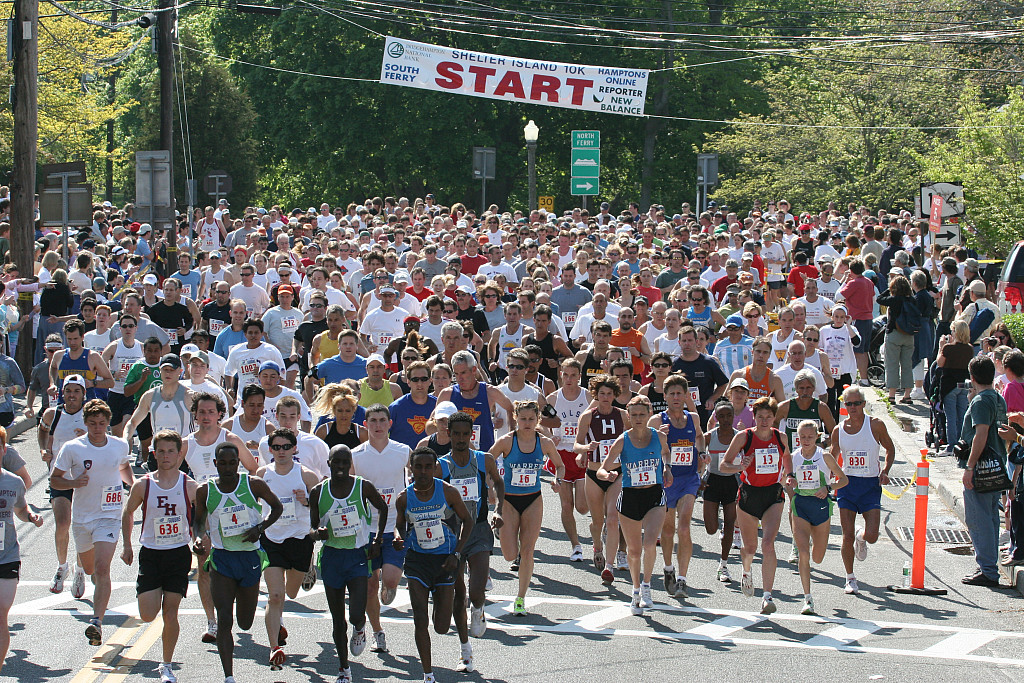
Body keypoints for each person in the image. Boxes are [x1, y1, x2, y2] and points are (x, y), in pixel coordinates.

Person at [193, 442, 283, 683]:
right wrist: (198, 539)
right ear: (215, 464)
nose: (227, 468)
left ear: (238, 463)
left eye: (232, 463)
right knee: (224, 618)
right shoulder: (205, 490)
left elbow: (277, 507)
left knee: (245, 622)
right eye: (222, 463)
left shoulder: (253, 484)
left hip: (249, 558)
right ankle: (229, 676)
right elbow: (198, 521)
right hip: (222, 559)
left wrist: (260, 528)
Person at [50, 399, 134, 645]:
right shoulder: (73, 448)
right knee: (90, 569)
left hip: (109, 515)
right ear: (85, 423)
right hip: (83, 517)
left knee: (102, 568)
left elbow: (124, 467)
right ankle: (81, 570)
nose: (97, 428)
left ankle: (96, 621)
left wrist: (135, 486)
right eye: (93, 423)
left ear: (108, 423)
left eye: (102, 423)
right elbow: (55, 480)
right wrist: (73, 483)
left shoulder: (119, 445)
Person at [119, 430, 197, 683]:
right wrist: (127, 546)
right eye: (161, 451)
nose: (166, 456)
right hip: (151, 554)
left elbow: (202, 516)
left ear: (179, 454)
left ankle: (166, 665)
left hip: (178, 554)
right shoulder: (144, 484)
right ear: (153, 453)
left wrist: (199, 538)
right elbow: (128, 512)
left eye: (170, 451)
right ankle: (149, 598)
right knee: (148, 614)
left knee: (170, 612)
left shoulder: (189, 486)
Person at [394, 448, 475, 683]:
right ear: (411, 468)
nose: (423, 471)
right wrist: (398, 538)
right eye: (418, 467)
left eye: (428, 467)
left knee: (441, 626)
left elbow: (467, 521)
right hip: (417, 561)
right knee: (420, 618)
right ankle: (428, 675)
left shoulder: (448, 492)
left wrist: (457, 553)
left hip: (444, 561)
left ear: (435, 467)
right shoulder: (404, 498)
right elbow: (400, 526)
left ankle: (455, 632)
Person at [310, 444, 388, 683]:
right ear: (329, 463)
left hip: (357, 556)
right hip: (332, 557)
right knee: (337, 620)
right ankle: (344, 669)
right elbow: (312, 528)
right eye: (337, 462)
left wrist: (377, 539)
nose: (341, 467)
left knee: (355, 614)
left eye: (346, 462)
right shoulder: (318, 492)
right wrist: (318, 533)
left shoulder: (362, 486)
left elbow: (383, 508)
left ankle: (360, 628)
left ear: (351, 464)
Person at [438, 411, 505, 671]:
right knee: (458, 594)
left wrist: (498, 510)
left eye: (465, 434)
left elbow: (498, 483)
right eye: (456, 434)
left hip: (478, 530)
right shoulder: (441, 466)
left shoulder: (484, 460)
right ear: (449, 434)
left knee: (476, 590)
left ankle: (478, 609)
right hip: (452, 534)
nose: (461, 439)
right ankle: (465, 650)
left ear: (471, 435)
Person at [489, 400, 563, 616]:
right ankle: (504, 534)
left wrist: (557, 480)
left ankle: (520, 598)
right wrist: (490, 487)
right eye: (523, 419)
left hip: (533, 499)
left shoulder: (545, 443)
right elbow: (486, 462)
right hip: (509, 500)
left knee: (528, 551)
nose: (527, 423)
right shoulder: (506, 441)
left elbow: (560, 465)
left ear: (538, 419)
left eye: (531, 419)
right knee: (509, 555)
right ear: (516, 419)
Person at [598, 395, 671, 615]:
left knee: (650, 544)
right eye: (634, 415)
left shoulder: (659, 436)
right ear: (628, 417)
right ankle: (636, 589)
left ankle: (647, 586)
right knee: (634, 550)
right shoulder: (623, 440)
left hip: (654, 495)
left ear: (649, 415)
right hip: (630, 497)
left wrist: (667, 468)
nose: (639, 418)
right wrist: (607, 475)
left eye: (642, 414)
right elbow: (602, 468)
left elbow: (666, 453)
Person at [720, 396, 792, 615]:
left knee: (768, 544)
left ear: (774, 418)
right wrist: (740, 467)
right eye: (760, 417)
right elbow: (723, 465)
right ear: (754, 417)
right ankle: (746, 570)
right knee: (750, 548)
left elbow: (787, 458)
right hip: (749, 495)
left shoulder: (780, 437)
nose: (764, 421)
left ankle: (767, 596)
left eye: (768, 417)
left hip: (773, 494)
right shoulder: (744, 437)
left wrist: (789, 476)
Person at [257, 429, 321, 671]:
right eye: (276, 447)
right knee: (275, 596)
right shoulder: (262, 475)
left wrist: (306, 501)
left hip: (299, 538)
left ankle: (308, 567)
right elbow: (253, 505)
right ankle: (274, 648)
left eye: (286, 447)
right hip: (271, 539)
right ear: (270, 450)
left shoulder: (306, 475)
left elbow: (321, 507)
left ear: (295, 449)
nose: (281, 451)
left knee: (292, 593)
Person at [351, 404, 411, 654]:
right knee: (369, 586)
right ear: (365, 425)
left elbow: (416, 481)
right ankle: (376, 631)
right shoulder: (356, 455)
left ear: (390, 423)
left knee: (391, 579)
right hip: (366, 528)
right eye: (373, 421)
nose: (378, 425)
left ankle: (389, 586)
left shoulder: (403, 451)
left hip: (394, 526)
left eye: (382, 420)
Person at [829, 385, 896, 594]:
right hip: (847, 485)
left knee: (873, 535)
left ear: (864, 404)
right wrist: (828, 477)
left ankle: (862, 536)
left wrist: (885, 470)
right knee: (846, 535)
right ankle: (850, 578)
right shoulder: (839, 430)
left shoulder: (875, 425)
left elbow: (890, 448)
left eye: (857, 403)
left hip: (870, 485)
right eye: (849, 404)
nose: (853, 407)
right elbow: (832, 456)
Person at [653, 375, 708, 599]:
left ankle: (683, 579)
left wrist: (702, 453)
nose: (676, 397)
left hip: (688, 479)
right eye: (672, 394)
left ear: (686, 396)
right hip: (667, 481)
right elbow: (644, 445)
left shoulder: (693, 418)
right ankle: (668, 569)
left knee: (684, 527)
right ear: (665, 396)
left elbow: (700, 437)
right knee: (667, 530)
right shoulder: (657, 420)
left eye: (680, 393)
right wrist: (658, 438)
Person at [959, 355, 1009, 587]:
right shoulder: (998, 398)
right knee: (990, 518)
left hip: (981, 467)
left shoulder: (981, 401)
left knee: (978, 519)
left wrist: (970, 467)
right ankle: (988, 565)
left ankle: (988, 569)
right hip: (996, 465)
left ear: (972, 377)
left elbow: (981, 434)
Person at [574, 374, 628, 584]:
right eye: (602, 394)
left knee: (613, 519)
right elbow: (576, 444)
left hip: (616, 473)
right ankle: (597, 546)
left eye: (609, 394)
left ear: (615, 395)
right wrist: (586, 448)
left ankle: (609, 566)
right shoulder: (588, 416)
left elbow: (631, 440)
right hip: (594, 473)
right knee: (597, 521)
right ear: (596, 395)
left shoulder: (623, 415)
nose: (605, 397)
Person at [790, 420, 848, 615]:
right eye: (802, 437)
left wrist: (828, 488)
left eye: (810, 437)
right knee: (804, 554)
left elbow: (844, 480)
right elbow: (783, 480)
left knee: (818, 557)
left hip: (821, 507)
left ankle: (812, 542)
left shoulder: (825, 457)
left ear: (817, 437)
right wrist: (790, 483)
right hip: (801, 506)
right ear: (797, 438)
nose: (806, 440)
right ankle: (807, 599)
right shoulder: (793, 458)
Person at [37, 374, 87, 594]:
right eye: (68, 391)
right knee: (63, 523)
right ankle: (62, 567)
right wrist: (43, 449)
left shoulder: (89, 415)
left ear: (83, 394)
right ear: (62, 393)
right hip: (60, 477)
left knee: (81, 527)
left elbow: (103, 438)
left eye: (76, 391)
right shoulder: (53, 414)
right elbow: (42, 430)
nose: (72, 395)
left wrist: (88, 436)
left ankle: (80, 570)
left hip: (84, 480)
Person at [0, 424, 43, 674]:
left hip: (7, 556)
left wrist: (31, 516)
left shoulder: (13, 482)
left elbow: (20, 509)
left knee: (1, 614)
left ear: (4, 449)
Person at [544, 359, 591, 562]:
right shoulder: (553, 398)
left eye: (573, 375)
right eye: (565, 375)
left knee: (582, 507)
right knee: (566, 505)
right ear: (561, 375)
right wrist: (549, 436)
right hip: (561, 456)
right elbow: (541, 422)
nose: (569, 379)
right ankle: (576, 546)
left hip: (581, 454)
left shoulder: (587, 397)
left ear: (579, 376)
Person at [703, 400, 741, 582]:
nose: (726, 419)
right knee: (711, 529)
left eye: (729, 416)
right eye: (722, 416)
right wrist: (698, 477)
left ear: (734, 417)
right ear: (716, 418)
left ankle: (723, 565)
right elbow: (697, 455)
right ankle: (722, 532)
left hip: (732, 482)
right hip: (712, 481)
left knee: (729, 525)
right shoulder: (709, 437)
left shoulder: (740, 437)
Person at [877, 274, 917, 403]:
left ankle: (892, 395)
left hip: (894, 333)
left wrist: (889, 289)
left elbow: (879, 299)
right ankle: (907, 395)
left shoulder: (894, 299)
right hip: (909, 335)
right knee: (907, 365)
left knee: (892, 365)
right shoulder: (912, 300)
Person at [937, 321, 973, 455]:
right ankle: (962, 442)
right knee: (962, 415)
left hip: (950, 383)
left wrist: (941, 347)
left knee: (951, 417)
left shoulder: (948, 348)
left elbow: (940, 363)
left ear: (955, 332)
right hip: (964, 384)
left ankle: (952, 446)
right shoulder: (969, 349)